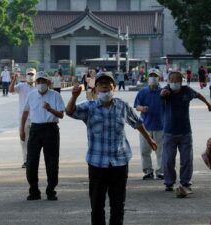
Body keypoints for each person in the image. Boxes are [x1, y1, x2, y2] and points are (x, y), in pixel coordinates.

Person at [66, 71, 157, 225]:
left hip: (120, 162)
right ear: (95, 90)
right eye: (101, 85)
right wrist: (74, 96)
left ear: (114, 88)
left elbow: (137, 123)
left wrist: (149, 139)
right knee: (97, 205)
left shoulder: (122, 106)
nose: (105, 87)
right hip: (97, 163)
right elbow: (69, 112)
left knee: (118, 205)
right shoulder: (89, 107)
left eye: (108, 85)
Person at [160, 71, 211, 197]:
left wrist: (208, 104)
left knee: (186, 159)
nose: (174, 82)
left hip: (185, 132)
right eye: (171, 80)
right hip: (169, 132)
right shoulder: (166, 90)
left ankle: (186, 182)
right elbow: (161, 94)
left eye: (177, 80)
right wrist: (163, 94)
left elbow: (198, 95)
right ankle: (169, 182)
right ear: (168, 81)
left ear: (181, 81)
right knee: (168, 160)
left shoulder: (187, 90)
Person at [20, 71, 65, 201]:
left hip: (50, 129)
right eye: (38, 82)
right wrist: (22, 130)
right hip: (35, 128)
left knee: (51, 161)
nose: (41, 84)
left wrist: (50, 109)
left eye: (43, 82)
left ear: (48, 83)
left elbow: (61, 114)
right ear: (36, 83)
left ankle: (51, 190)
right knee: (31, 161)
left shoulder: (55, 95)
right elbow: (25, 113)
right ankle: (34, 190)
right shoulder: (31, 95)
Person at [134, 68, 164, 180]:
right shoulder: (143, 92)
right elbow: (136, 106)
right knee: (144, 150)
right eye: (151, 76)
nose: (153, 78)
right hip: (145, 126)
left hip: (160, 125)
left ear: (159, 78)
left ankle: (161, 171)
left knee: (160, 150)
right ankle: (148, 171)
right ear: (148, 78)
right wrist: (142, 108)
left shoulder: (163, 92)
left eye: (155, 76)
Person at [9, 68, 36, 168]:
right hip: (23, 117)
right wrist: (13, 80)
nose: (30, 76)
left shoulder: (38, 87)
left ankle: (33, 159)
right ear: (25, 75)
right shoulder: (21, 86)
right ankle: (26, 161)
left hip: (35, 118)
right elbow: (11, 90)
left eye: (32, 74)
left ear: (35, 76)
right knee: (24, 139)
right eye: (28, 74)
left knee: (34, 141)